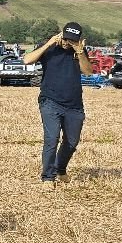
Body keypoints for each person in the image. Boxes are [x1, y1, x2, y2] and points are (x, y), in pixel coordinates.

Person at [23, 22, 93, 187]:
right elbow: (27, 60)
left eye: (73, 40)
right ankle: (48, 177)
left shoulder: (80, 51)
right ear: (61, 35)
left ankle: (60, 169)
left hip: (74, 104)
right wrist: (49, 43)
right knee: (52, 138)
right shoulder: (50, 48)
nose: (69, 43)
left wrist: (80, 51)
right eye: (67, 39)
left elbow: (88, 71)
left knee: (72, 142)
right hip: (50, 101)